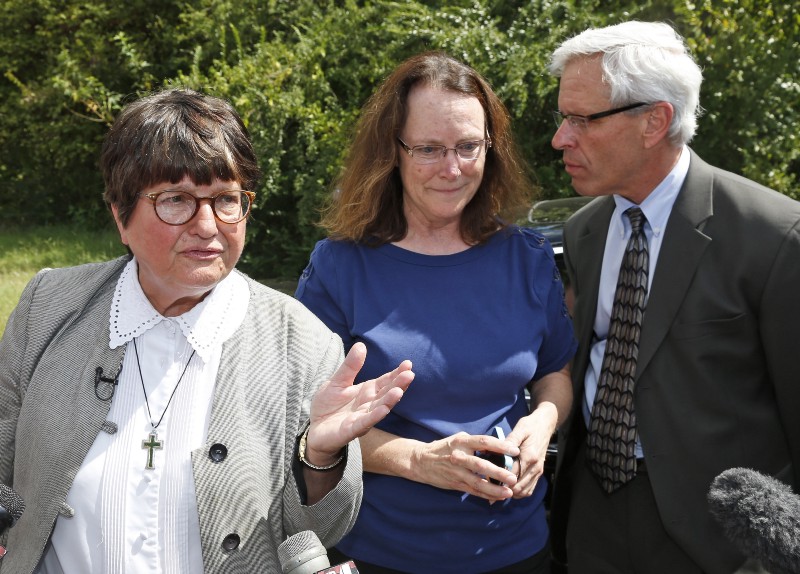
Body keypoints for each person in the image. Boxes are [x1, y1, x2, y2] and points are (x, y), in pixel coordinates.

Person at [0, 88, 415, 573]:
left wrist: (320, 456)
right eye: (175, 200)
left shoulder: (303, 343)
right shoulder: (48, 306)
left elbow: (324, 529)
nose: (207, 225)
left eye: (225, 199)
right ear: (120, 215)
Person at [295, 51, 576, 573]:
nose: (451, 169)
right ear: (392, 152)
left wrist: (542, 423)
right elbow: (308, 421)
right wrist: (420, 462)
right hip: (380, 552)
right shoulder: (340, 266)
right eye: (428, 149)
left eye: (468, 146)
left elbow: (555, 371)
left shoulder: (528, 258)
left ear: (491, 148)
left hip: (518, 550)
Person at [547, 20, 800, 574]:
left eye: (581, 120)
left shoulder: (774, 236)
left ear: (654, 121)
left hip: (718, 542)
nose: (561, 138)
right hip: (591, 519)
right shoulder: (585, 231)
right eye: (563, 118)